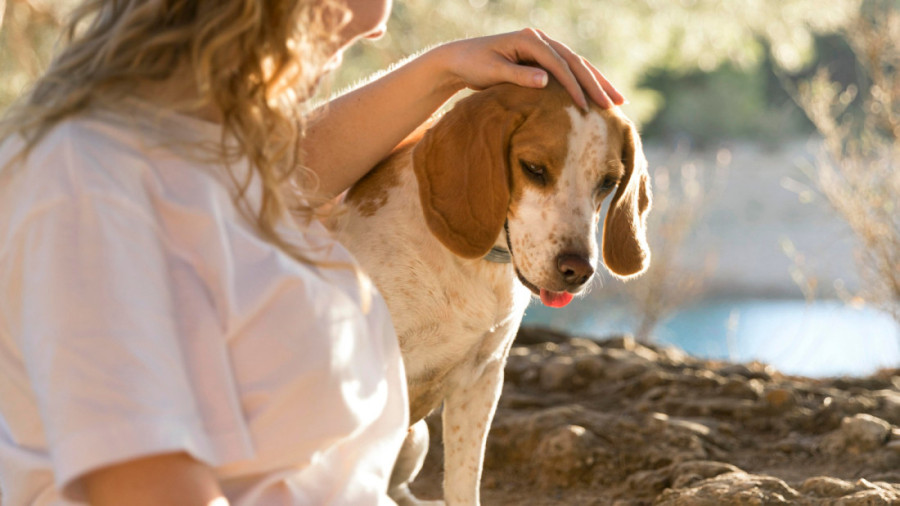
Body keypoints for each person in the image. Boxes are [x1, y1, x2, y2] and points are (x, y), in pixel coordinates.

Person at [0, 0, 624, 504]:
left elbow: (289, 169)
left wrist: (447, 70)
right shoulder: (86, 186)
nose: (378, 22)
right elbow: (144, 489)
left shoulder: (186, 154)